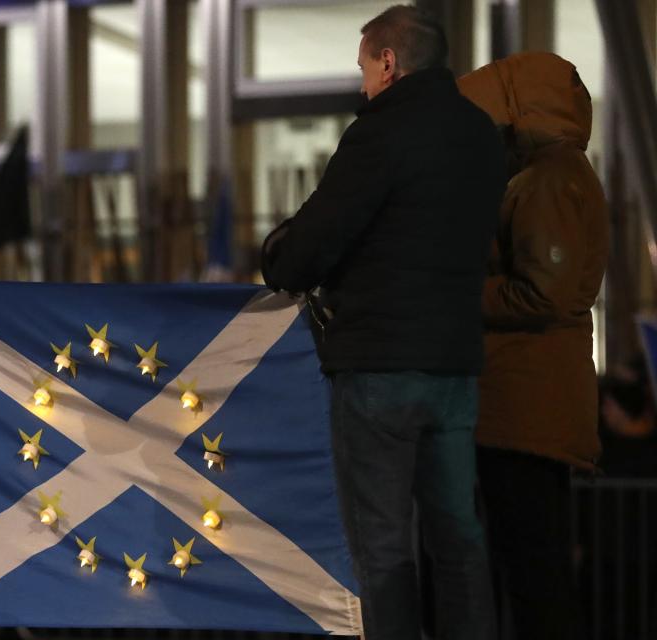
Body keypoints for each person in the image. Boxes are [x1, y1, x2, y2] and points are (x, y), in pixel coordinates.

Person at [261, 5, 505, 639]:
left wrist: (278, 257)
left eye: (365, 65)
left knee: (384, 547)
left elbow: (315, 241)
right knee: (459, 538)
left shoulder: (380, 132)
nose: (363, 81)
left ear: (389, 62)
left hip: (378, 366)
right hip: (454, 365)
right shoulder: (481, 135)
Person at [457, 53, 608, 640]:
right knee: (533, 575)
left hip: (525, 410)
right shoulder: (553, 174)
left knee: (535, 577)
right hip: (527, 407)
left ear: (519, 110)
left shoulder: (548, 179)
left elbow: (542, 293)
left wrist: (458, 292)